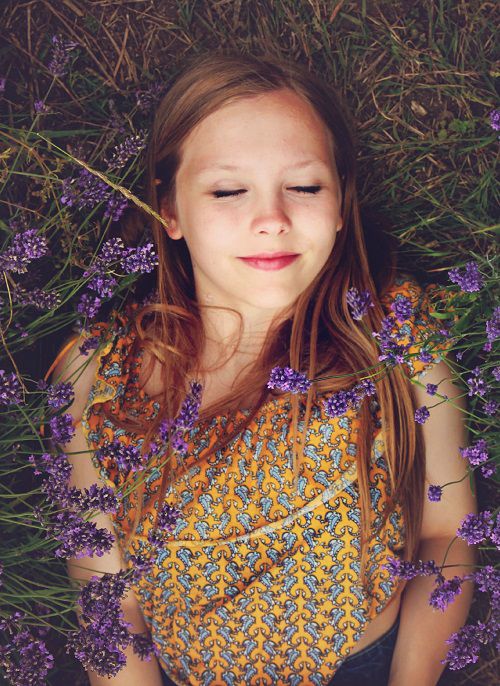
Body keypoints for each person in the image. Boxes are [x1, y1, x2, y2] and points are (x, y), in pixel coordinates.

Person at [49, 51, 477, 686]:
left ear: (340, 202)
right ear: (170, 210)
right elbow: (110, 603)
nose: (272, 219)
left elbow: (448, 533)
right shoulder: (97, 376)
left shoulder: (395, 331)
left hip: (372, 665)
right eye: (227, 191)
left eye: (304, 187)